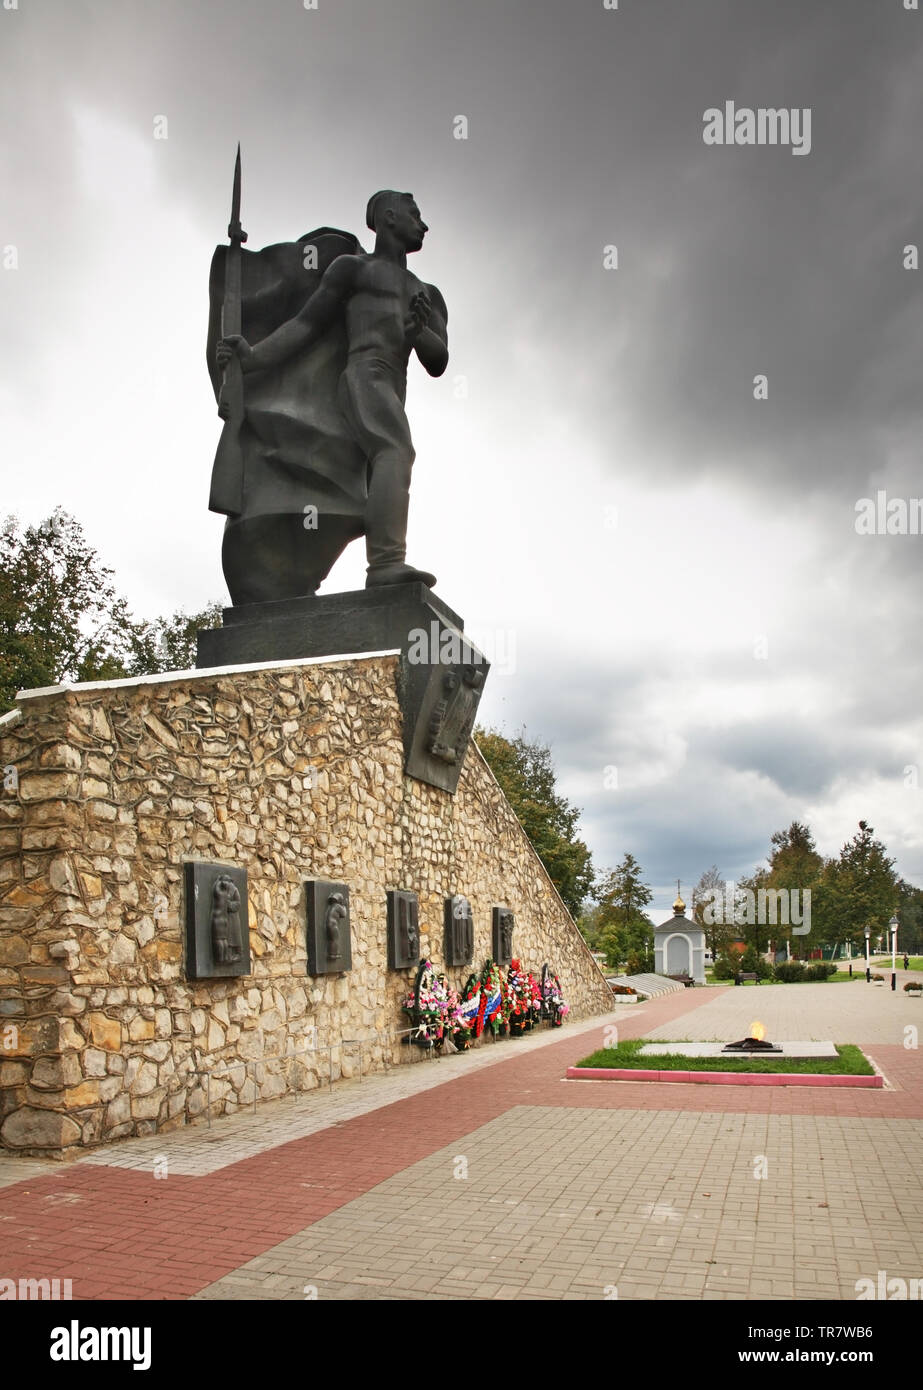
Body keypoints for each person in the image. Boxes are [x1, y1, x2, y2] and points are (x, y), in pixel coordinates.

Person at [217, 190, 448, 588]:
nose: (423, 225)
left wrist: (418, 332)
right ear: (389, 217)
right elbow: (306, 326)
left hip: (394, 381)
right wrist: (253, 356)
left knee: (383, 462)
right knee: (395, 452)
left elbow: (438, 360)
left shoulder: (428, 293)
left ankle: (372, 559)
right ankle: (385, 564)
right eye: (415, 215)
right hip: (364, 373)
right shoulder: (353, 270)